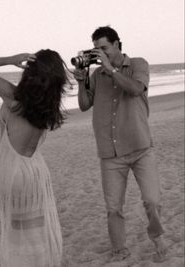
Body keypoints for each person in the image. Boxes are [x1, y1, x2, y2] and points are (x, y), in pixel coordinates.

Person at [73, 26, 167, 262]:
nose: (99, 53)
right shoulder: (96, 76)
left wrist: (111, 69)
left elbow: (135, 89)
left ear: (117, 45)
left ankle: (157, 237)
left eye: (103, 47)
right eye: (96, 49)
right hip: (110, 152)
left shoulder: (138, 64)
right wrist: (82, 81)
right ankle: (119, 250)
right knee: (113, 208)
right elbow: (85, 105)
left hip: (140, 147)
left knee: (152, 200)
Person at [0, 50, 68, 267]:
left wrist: (10, 60)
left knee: (17, 235)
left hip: (15, 172)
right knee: (34, 230)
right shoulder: (48, 104)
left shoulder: (14, 98)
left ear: (30, 71)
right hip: (35, 170)